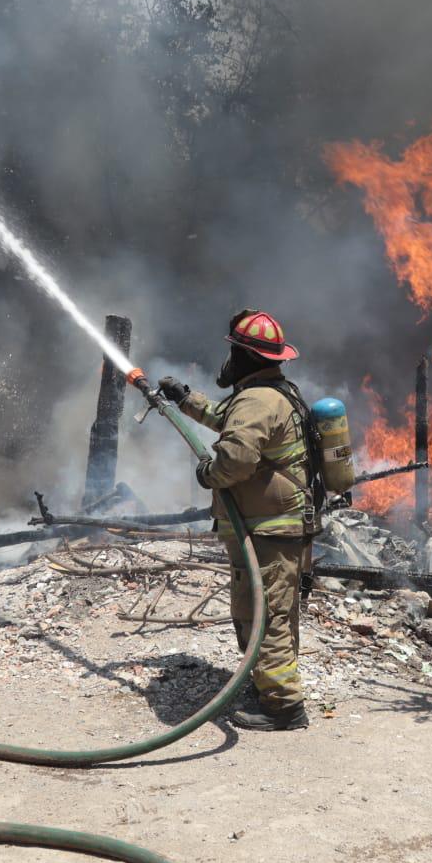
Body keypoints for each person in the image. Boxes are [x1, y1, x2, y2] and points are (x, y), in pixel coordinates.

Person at [158, 310, 316, 731]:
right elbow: (229, 421)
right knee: (265, 611)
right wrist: (184, 398)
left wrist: (208, 474)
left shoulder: (258, 399)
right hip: (270, 528)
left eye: (234, 350)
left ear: (246, 355)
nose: (229, 359)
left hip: (267, 531)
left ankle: (283, 706)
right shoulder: (268, 393)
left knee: (266, 615)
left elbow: (237, 458)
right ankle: (268, 686)